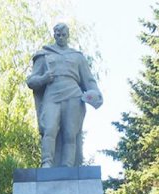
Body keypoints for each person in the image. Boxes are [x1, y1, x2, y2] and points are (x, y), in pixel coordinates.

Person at [26, 22, 102, 167]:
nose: (61, 37)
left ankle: (68, 166)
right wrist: (43, 78)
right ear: (54, 35)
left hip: (73, 95)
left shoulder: (77, 57)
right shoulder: (44, 55)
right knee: (49, 129)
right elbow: (31, 81)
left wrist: (95, 93)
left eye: (64, 35)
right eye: (58, 35)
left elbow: (89, 81)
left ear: (68, 35)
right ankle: (47, 162)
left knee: (70, 133)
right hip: (52, 96)